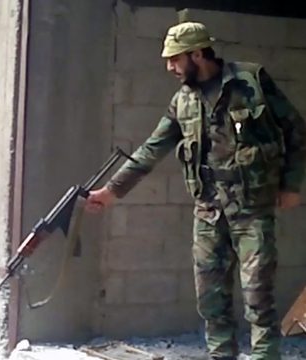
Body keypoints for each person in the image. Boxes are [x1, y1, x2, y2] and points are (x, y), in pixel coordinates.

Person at [86, 21, 306, 360]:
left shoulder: (250, 81)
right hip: (208, 214)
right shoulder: (182, 102)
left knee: (259, 300)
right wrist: (111, 192)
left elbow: (296, 131)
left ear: (197, 53)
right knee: (211, 301)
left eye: (175, 59)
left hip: (251, 213)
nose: (170, 68)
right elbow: (150, 149)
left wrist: (292, 185)